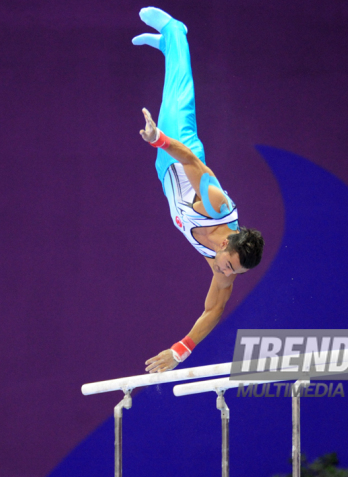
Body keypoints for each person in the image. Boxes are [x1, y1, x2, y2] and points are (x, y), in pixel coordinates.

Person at [133, 7, 264, 373]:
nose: (226, 274)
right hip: (179, 151)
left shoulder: (226, 268)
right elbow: (192, 162)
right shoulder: (216, 204)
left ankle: (168, 50)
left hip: (163, 173)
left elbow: (214, 310)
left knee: (170, 91)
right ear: (227, 243)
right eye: (229, 266)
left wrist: (179, 351)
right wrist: (159, 139)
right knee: (178, 96)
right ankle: (176, 32)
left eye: (233, 272)